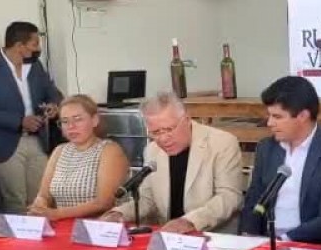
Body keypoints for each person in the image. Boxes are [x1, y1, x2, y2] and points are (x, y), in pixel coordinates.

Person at [239, 76, 321, 244]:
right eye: (269, 115)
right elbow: (253, 200)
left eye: (277, 117)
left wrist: (282, 240)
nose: (269, 123)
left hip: (312, 245)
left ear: (303, 115)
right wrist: (247, 237)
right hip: (265, 242)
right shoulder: (266, 148)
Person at [103, 91, 243, 234]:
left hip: (211, 234)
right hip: (168, 236)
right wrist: (119, 213)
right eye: (156, 132)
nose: (163, 139)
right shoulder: (152, 150)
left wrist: (190, 221)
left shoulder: (222, 143)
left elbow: (229, 197)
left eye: (169, 129)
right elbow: (147, 200)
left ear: (187, 119)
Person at [0, 21, 63, 214]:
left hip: (37, 141)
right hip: (4, 143)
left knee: (41, 199)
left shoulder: (35, 66)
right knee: (15, 202)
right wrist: (19, 121)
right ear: (20, 46)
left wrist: (54, 105)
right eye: (35, 44)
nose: (38, 49)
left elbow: (53, 93)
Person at [27, 95, 129, 221]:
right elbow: (44, 195)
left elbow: (104, 202)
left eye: (78, 119)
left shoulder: (109, 150)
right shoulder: (59, 150)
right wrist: (39, 207)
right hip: (61, 225)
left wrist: (57, 214)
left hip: (98, 227)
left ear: (94, 120)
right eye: (65, 121)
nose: (71, 126)